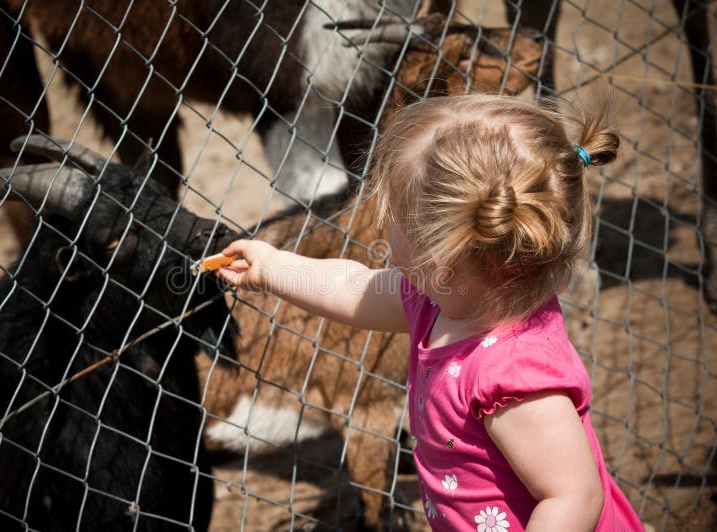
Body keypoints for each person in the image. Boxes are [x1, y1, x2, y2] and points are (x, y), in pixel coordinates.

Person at [216, 94, 645, 531]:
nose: (386, 228)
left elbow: (573, 495)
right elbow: (352, 286)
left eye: (397, 219)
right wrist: (273, 267)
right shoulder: (439, 299)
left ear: (443, 257)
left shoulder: (514, 375)